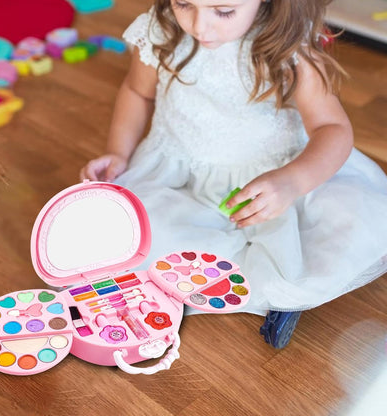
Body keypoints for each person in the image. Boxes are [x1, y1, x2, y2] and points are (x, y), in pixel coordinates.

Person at [80, 0, 387, 348]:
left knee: (341, 221)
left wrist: (292, 181)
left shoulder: (287, 45)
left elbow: (333, 128)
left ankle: (285, 296)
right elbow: (137, 92)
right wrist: (119, 152)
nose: (199, 27)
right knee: (124, 236)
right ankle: (252, 288)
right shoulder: (160, 29)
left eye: (223, 11)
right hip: (180, 175)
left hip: (275, 179)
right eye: (183, 4)